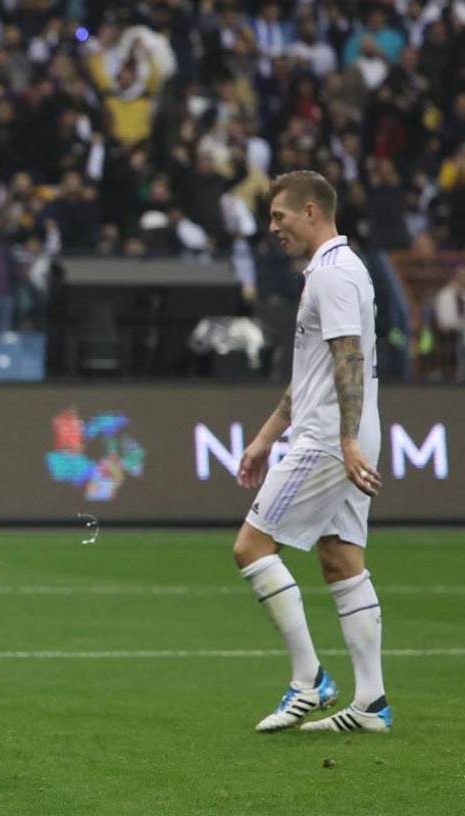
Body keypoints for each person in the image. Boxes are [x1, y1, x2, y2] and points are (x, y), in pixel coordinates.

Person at [234, 170, 389, 733]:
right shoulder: (336, 271)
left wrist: (345, 439)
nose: (272, 227)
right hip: (340, 430)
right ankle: (371, 702)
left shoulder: (333, 275)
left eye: (279, 216)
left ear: (311, 212)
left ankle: (309, 680)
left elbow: (347, 356)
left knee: (251, 547)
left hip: (329, 437)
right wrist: (266, 435)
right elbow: (316, 372)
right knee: (341, 559)